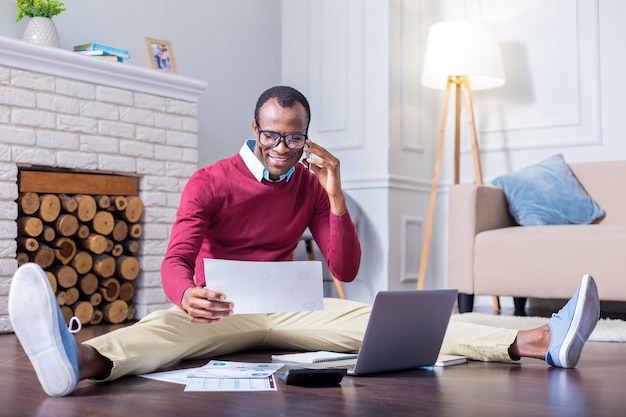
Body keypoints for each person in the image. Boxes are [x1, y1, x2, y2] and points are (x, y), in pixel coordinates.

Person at [8, 86, 600, 398]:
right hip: (223, 309)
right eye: (272, 135)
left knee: (383, 321)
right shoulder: (210, 181)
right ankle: (77, 361)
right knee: (159, 332)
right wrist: (187, 294)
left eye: (294, 138)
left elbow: (344, 264)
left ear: (306, 136)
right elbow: (176, 258)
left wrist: (336, 194)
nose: (282, 148)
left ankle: (536, 340)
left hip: (294, 309)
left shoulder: (314, 184)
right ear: (255, 128)